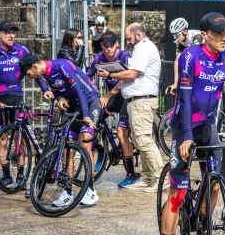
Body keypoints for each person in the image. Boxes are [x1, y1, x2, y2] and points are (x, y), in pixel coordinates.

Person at [160, 12, 225, 235]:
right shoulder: (190, 57)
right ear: (204, 35)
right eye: (217, 33)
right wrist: (186, 137)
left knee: (214, 184)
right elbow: (183, 100)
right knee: (178, 194)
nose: (224, 37)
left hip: (208, 126)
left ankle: (203, 224)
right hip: (183, 126)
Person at [21, 53, 101, 207]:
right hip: (74, 104)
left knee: (84, 143)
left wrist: (86, 116)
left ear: (35, 67)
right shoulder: (46, 73)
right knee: (66, 149)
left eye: (29, 74)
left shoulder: (62, 66)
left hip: (90, 102)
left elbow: (80, 91)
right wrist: (60, 98)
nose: (30, 77)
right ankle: (67, 192)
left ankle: (91, 190)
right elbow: (57, 90)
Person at [0, 20, 51, 187]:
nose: (11, 35)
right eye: (7, 32)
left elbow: (37, 72)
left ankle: (21, 174)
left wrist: (45, 90)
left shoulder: (22, 51)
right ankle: (5, 175)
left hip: (16, 98)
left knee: (20, 136)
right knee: (2, 140)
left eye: (13, 32)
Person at [99, 23, 164, 192]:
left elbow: (131, 74)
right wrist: (110, 93)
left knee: (143, 139)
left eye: (129, 38)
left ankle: (162, 177)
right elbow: (129, 77)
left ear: (139, 35)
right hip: (135, 101)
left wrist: (110, 74)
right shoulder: (140, 48)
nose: (127, 42)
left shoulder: (143, 48)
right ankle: (146, 177)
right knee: (139, 140)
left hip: (142, 100)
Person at [86, 31, 138, 187]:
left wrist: (108, 94)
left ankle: (131, 173)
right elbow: (87, 78)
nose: (108, 49)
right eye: (105, 46)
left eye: (111, 45)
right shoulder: (99, 58)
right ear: (102, 46)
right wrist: (92, 93)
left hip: (126, 95)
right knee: (94, 121)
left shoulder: (124, 55)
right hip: (112, 97)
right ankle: (102, 151)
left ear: (117, 44)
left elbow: (125, 79)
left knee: (122, 134)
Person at [166, 17, 203, 95]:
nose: (175, 38)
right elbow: (177, 61)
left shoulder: (197, 36)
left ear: (185, 31)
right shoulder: (179, 41)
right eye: (173, 35)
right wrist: (176, 83)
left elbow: (194, 57)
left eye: (176, 34)